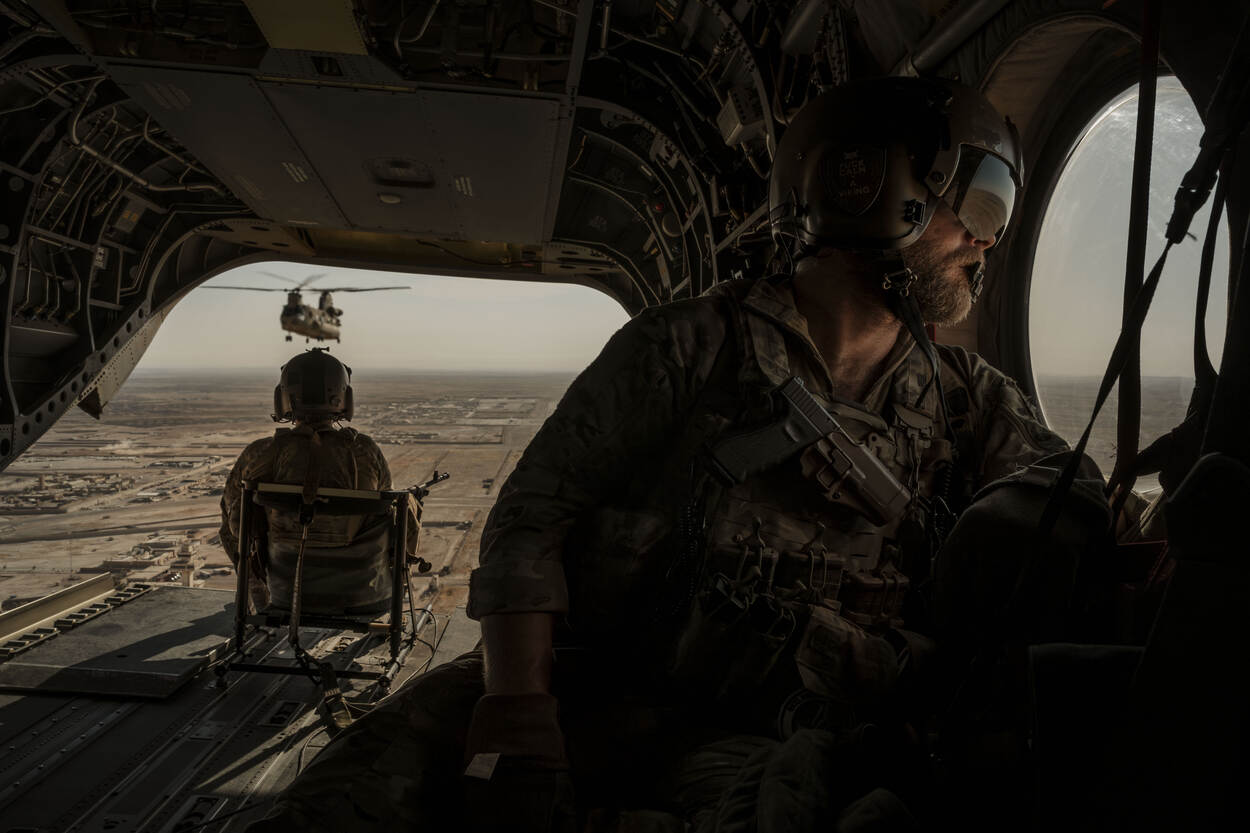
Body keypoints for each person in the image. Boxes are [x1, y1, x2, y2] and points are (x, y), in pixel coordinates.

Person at [246, 78, 1106, 832]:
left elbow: (1073, 497)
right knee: (337, 804)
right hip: (601, 688)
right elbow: (533, 515)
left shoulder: (969, 400)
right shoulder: (686, 348)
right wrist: (515, 711)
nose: (987, 240)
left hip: (795, 730)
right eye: (980, 203)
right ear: (869, 187)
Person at [220, 348, 411, 616]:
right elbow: (385, 517)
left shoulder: (260, 454)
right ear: (344, 399)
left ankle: (257, 603)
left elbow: (235, 523)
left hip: (284, 597)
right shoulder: (365, 451)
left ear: (283, 399)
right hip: (366, 598)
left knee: (231, 519)